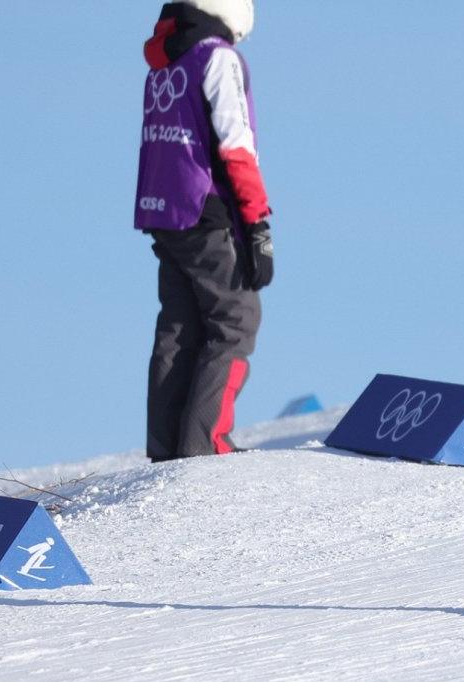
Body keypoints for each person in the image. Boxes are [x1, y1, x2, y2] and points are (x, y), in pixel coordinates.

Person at [134, 0, 273, 463]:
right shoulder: (217, 56)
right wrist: (256, 223)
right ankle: (206, 442)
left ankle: (167, 448)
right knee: (236, 320)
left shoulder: (165, 60)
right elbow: (235, 145)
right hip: (204, 210)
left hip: (162, 209)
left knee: (180, 325)